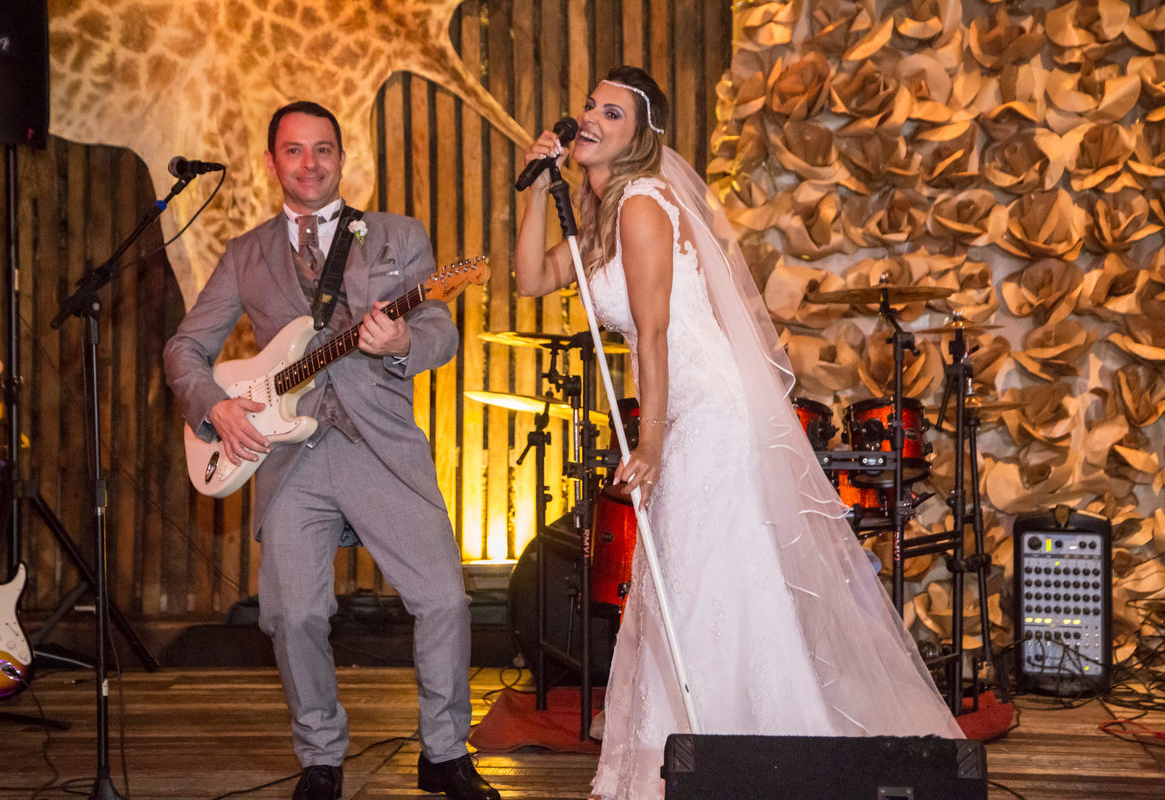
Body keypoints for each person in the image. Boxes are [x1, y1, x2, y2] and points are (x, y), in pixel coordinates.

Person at [513, 67, 963, 800]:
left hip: (707, 414)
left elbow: (653, 335)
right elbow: (530, 279)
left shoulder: (643, 208)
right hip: (682, 410)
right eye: (590, 107)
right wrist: (537, 183)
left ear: (640, 136)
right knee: (689, 579)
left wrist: (652, 443)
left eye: (612, 113)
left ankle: (748, 759)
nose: (590, 118)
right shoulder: (600, 216)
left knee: (700, 576)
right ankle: (707, 755)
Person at [163, 101, 500, 800]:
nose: (309, 163)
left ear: (342, 158)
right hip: (288, 456)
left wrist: (405, 341)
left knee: (443, 599)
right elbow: (185, 349)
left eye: (322, 150)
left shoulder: (397, 235)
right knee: (293, 615)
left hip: (380, 446)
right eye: (293, 151)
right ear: (271, 162)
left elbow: (441, 327)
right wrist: (214, 405)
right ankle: (320, 756)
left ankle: (443, 753)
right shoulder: (245, 252)